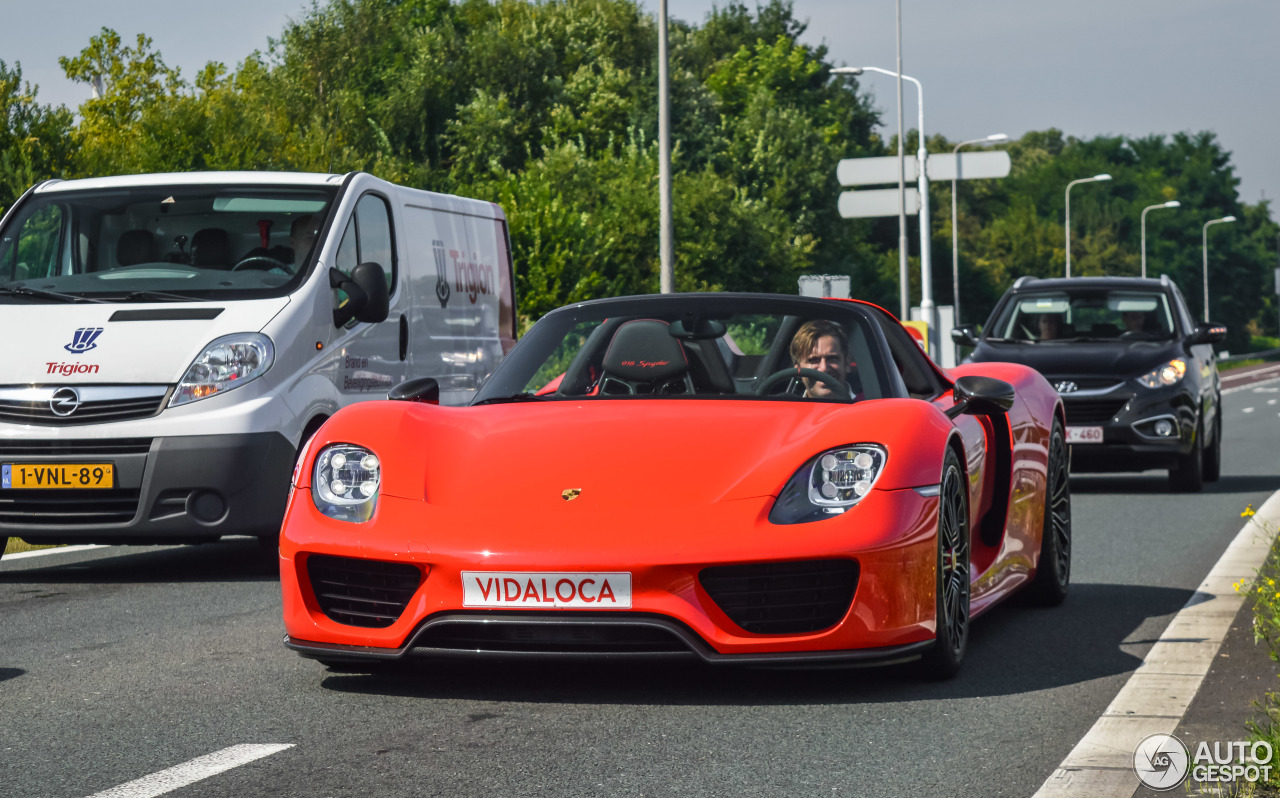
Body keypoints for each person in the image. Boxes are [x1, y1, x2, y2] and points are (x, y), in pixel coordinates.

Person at [789, 319, 853, 399]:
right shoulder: (788, 409)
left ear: (847, 363)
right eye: (814, 360)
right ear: (798, 369)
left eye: (832, 359)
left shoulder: (867, 406)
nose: (824, 368)